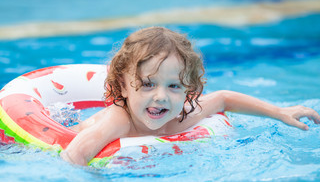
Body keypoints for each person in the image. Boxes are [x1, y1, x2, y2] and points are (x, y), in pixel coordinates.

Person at [61, 27, 320, 166]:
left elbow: (223, 98)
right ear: (124, 86)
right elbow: (73, 156)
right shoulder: (118, 121)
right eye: (148, 84)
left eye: (174, 86)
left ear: (189, 91)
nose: (161, 97)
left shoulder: (181, 118)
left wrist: (279, 112)